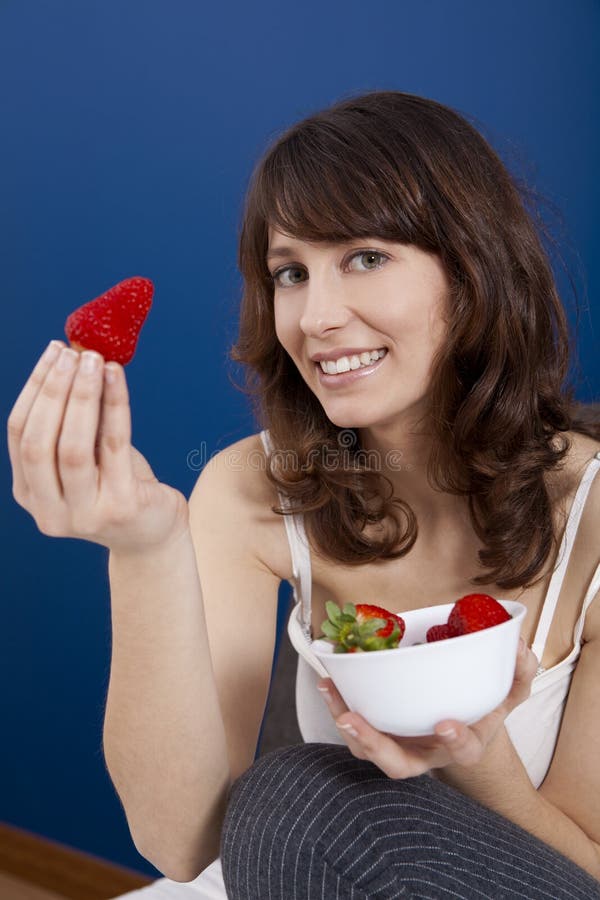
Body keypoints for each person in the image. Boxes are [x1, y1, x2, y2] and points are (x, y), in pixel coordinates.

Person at [8, 90, 600, 899]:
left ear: (472, 271)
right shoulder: (253, 489)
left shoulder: (592, 510)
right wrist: (144, 550)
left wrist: (476, 763)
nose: (316, 317)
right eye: (291, 272)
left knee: (293, 799)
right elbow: (180, 843)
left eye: (365, 257)